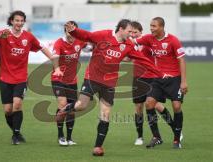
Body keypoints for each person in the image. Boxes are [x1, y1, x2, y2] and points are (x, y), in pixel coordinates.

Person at [56, 19, 166, 156]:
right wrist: (73, 31)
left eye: (133, 32)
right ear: (121, 29)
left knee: (106, 113)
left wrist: (160, 74)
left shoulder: (128, 45)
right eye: (129, 31)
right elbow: (86, 36)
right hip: (92, 78)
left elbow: (144, 61)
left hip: (109, 82)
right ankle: (65, 109)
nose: (131, 34)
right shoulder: (103, 35)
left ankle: (98, 147)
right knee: (81, 106)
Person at [0, 10, 55, 145]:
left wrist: (54, 60)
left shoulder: (28, 37)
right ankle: (17, 133)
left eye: (21, 20)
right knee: (8, 110)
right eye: (16, 20)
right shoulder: (5, 33)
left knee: (17, 105)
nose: (19, 23)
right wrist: (1, 34)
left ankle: (15, 135)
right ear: (12, 21)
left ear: (24, 22)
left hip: (21, 78)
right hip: (4, 78)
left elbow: (42, 47)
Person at [134, 17, 188, 149]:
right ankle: (156, 137)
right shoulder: (148, 38)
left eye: (154, 26)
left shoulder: (173, 40)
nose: (151, 28)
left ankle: (176, 139)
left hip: (174, 79)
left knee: (176, 106)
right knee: (149, 103)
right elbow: (132, 41)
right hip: (158, 78)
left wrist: (184, 82)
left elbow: (181, 60)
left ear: (162, 27)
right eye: (150, 26)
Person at [130, 21, 174, 146]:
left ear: (141, 32)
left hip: (151, 78)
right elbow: (128, 57)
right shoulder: (131, 44)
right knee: (138, 108)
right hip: (137, 79)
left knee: (157, 106)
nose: (133, 34)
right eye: (131, 32)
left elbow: (158, 54)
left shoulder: (148, 42)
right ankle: (140, 137)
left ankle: (175, 129)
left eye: (136, 32)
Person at [51, 21, 89, 146]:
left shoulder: (79, 41)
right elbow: (55, 56)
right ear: (65, 31)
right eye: (68, 30)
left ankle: (69, 137)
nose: (71, 33)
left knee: (72, 110)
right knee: (63, 105)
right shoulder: (59, 42)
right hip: (58, 79)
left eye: (73, 30)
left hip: (72, 81)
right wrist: (57, 69)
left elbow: (90, 45)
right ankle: (60, 135)